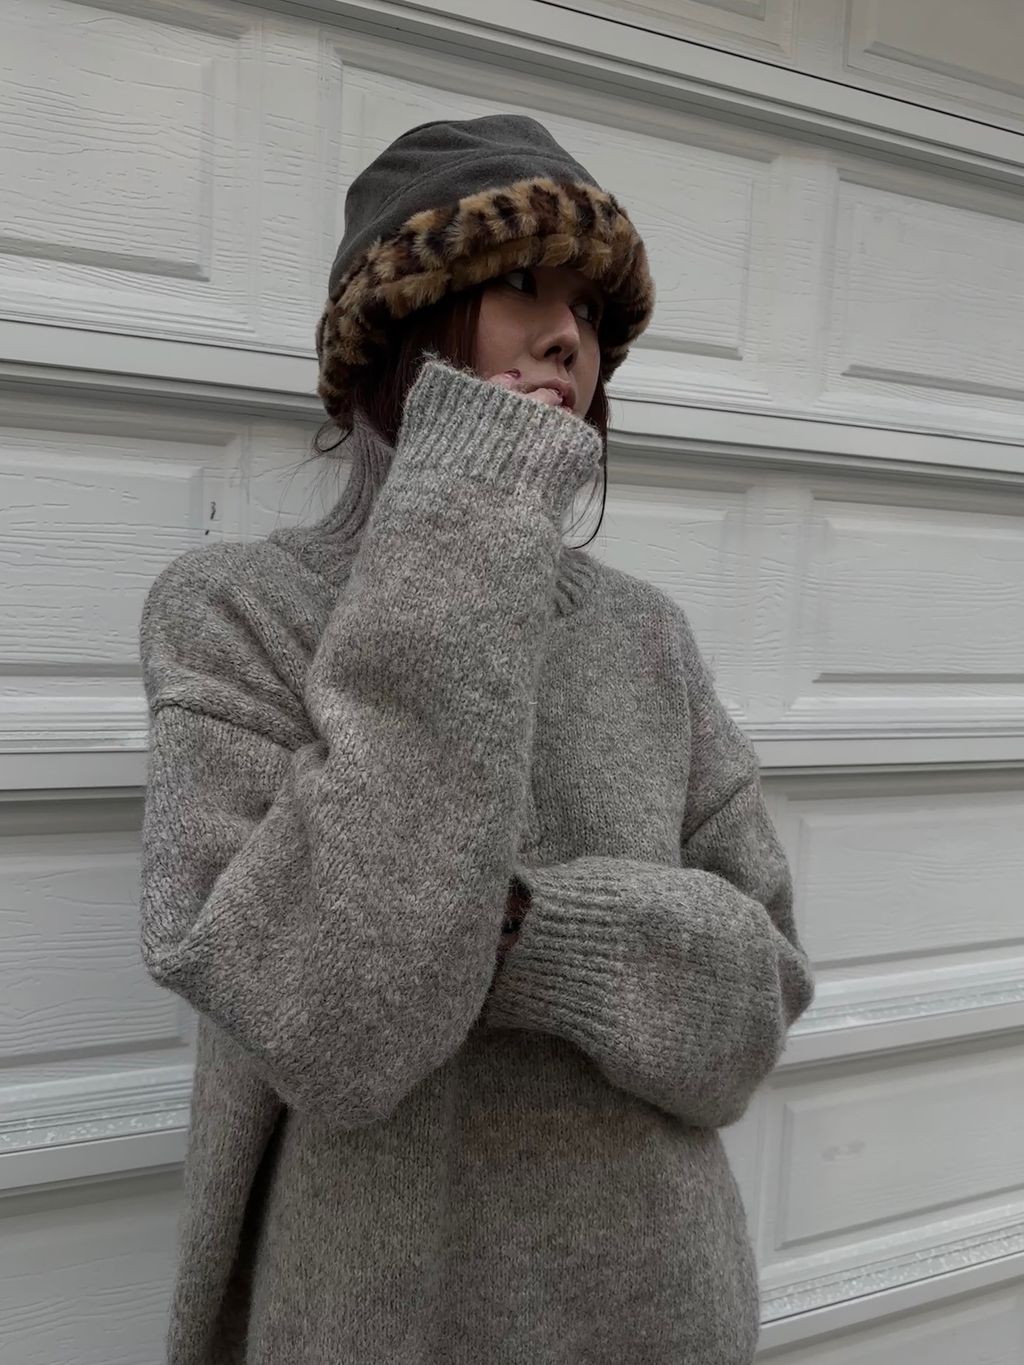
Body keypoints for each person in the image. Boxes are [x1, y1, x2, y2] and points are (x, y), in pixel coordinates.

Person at [137, 113, 815, 1365]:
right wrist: (467, 513)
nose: (570, 337)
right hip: (380, 1322)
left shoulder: (647, 638)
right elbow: (336, 1019)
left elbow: (754, 1010)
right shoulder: (235, 614)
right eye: (520, 288)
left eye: (590, 312)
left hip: (661, 1312)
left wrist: (519, 929)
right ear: (400, 329)